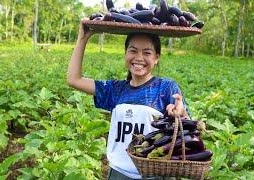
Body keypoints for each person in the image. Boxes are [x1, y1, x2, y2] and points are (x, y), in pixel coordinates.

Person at [67, 22, 190, 180]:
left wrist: (180, 112)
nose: (139, 58)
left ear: (156, 58)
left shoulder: (166, 88)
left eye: (147, 53)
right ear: (125, 53)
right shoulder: (115, 89)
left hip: (156, 175)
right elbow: (73, 79)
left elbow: (187, 126)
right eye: (133, 51)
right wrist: (82, 39)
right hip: (119, 173)